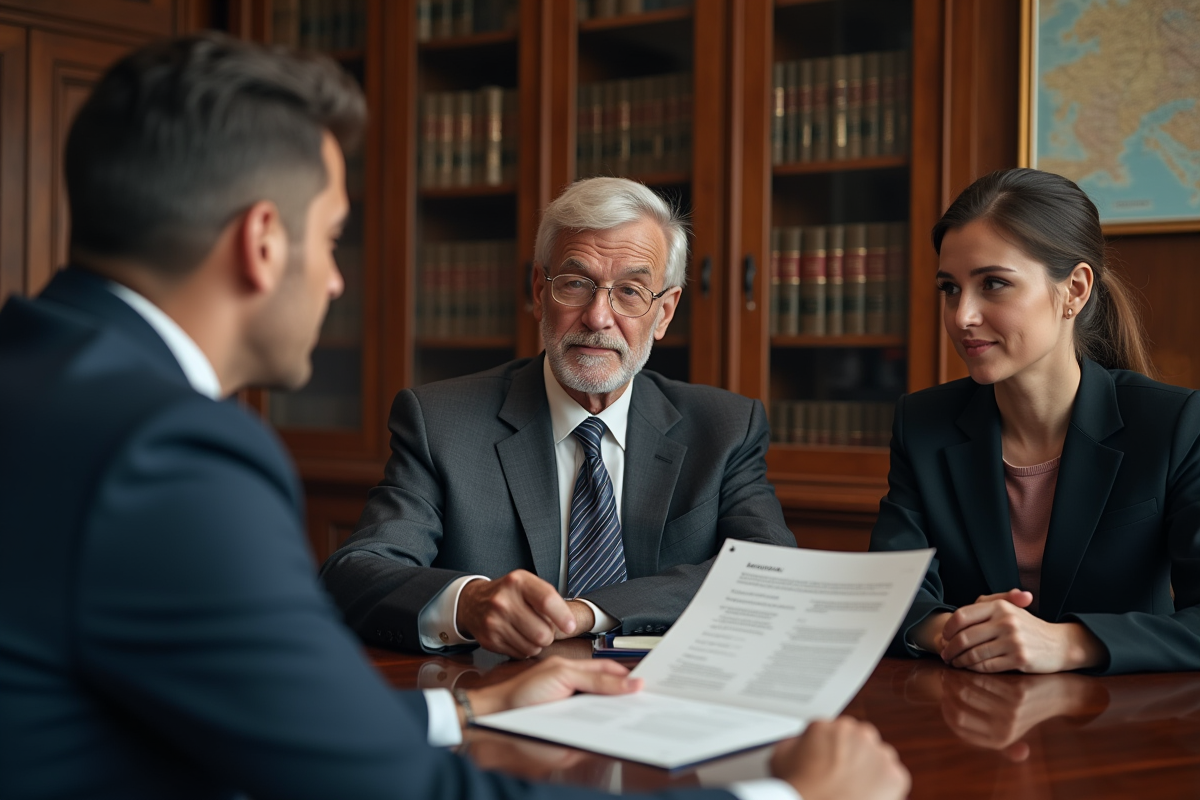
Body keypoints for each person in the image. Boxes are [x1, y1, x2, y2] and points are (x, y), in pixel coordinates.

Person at [0, 33, 910, 800]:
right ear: (263, 242)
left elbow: (273, 718)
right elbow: (391, 783)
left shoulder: (37, 379)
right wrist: (782, 795)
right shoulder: (170, 449)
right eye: (333, 238)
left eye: (631, 292)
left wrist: (465, 707)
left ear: (663, 309)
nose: (337, 280)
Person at [320, 177, 796, 659]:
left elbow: (771, 573)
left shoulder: (725, 429)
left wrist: (588, 613)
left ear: (665, 313)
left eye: (630, 291)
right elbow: (355, 574)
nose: (597, 316)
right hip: (502, 689)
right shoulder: (440, 423)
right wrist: (469, 604)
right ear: (538, 290)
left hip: (664, 693)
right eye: (575, 283)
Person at [869, 167, 1200, 675]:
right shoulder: (923, 424)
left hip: (1123, 711)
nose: (962, 316)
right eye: (950, 289)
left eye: (994, 284)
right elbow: (887, 595)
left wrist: (1066, 643)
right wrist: (955, 631)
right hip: (967, 703)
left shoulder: (1174, 424)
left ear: (1075, 291)